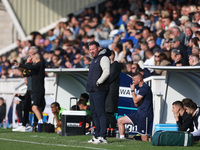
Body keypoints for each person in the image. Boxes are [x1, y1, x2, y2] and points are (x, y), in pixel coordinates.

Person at [86, 41, 110, 144]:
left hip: (99, 90)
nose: (92, 51)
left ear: (98, 48)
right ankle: (97, 135)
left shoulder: (103, 58)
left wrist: (99, 82)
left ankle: (102, 136)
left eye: (93, 49)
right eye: (90, 49)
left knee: (100, 113)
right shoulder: (94, 60)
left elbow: (107, 71)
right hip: (92, 90)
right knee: (94, 113)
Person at [117, 73, 153, 141]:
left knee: (144, 136)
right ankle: (122, 139)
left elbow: (136, 100)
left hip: (145, 115)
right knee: (120, 120)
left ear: (139, 80)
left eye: (133, 80)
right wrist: (136, 100)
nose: (132, 82)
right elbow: (136, 104)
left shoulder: (145, 88)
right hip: (139, 114)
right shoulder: (139, 88)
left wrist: (132, 91)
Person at [15, 52, 46, 132]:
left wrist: (24, 64)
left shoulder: (40, 64)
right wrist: (22, 66)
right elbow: (28, 72)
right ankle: (40, 125)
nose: (32, 60)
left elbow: (30, 67)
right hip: (36, 90)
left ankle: (40, 123)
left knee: (34, 107)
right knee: (38, 107)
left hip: (37, 90)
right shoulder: (36, 68)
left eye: (32, 58)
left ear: (36, 58)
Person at [105, 50, 122, 130]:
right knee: (106, 112)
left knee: (109, 112)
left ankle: (112, 129)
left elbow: (110, 78)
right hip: (107, 93)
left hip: (111, 93)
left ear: (111, 56)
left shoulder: (115, 66)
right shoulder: (109, 66)